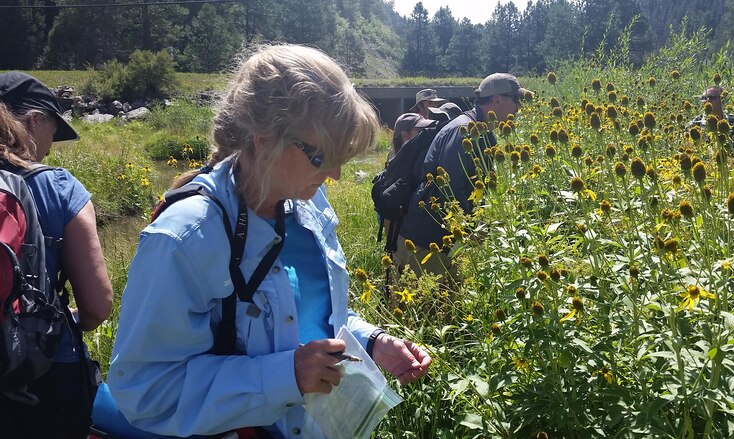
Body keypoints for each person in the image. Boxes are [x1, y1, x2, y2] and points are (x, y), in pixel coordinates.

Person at [107, 44, 431, 438]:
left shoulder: (307, 205)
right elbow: (146, 391)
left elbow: (314, 318)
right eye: (321, 156)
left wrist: (370, 341)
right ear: (264, 138)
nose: (336, 175)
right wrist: (287, 375)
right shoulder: (185, 237)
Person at [0, 72, 113, 438]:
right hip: (46, 373)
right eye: (53, 129)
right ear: (34, 121)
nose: (51, 146)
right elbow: (97, 306)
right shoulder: (58, 187)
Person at [395, 73, 529, 276]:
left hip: (446, 239)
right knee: (426, 306)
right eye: (516, 100)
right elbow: (451, 190)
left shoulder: (484, 133)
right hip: (427, 241)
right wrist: (473, 233)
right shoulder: (464, 131)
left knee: (446, 304)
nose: (519, 107)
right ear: (497, 100)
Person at [689, 86, 734, 153]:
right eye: (704, 98)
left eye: (712, 97)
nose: (707, 101)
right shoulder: (696, 123)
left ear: (722, 100)